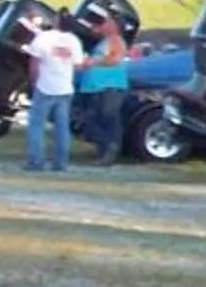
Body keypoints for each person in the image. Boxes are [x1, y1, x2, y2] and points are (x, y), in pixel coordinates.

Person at [23, 18, 87, 172]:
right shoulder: (74, 41)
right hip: (65, 88)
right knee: (62, 127)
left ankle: (36, 161)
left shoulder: (43, 38)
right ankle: (60, 163)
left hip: (45, 86)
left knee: (36, 126)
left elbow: (34, 64)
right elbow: (78, 66)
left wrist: (32, 83)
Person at [75, 12, 131, 164]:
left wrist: (95, 62)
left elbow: (116, 58)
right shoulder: (103, 41)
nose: (103, 25)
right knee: (93, 119)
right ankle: (104, 149)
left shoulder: (116, 40)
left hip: (110, 86)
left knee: (108, 119)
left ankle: (109, 148)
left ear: (115, 26)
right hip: (96, 87)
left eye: (107, 22)